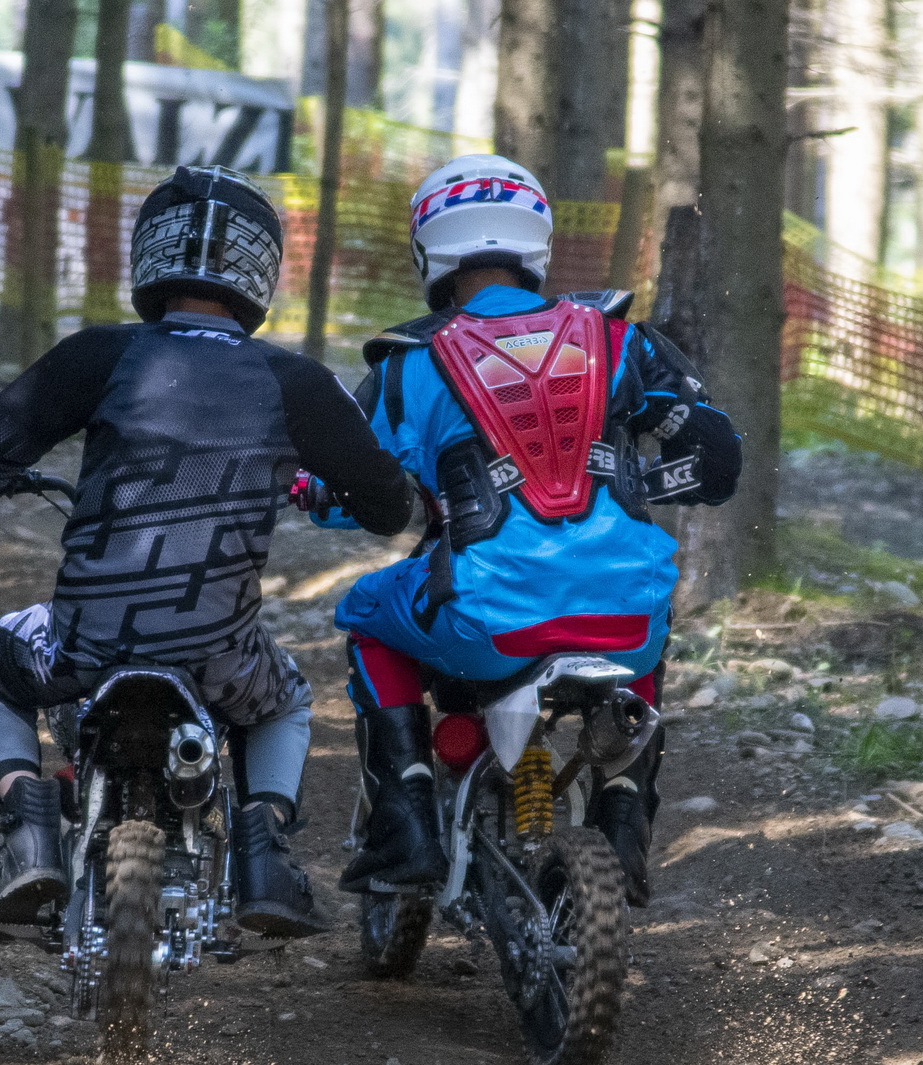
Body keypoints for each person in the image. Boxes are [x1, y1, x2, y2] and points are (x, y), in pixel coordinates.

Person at [0, 165, 413, 936]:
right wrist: (350, 497)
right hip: (219, 657)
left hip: (82, 647)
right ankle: (265, 850)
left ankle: (29, 825)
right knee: (288, 696)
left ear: (149, 255)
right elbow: (391, 505)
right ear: (260, 271)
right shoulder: (292, 380)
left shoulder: (99, 355)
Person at [311, 154, 741, 906]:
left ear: (429, 250)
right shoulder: (619, 338)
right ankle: (626, 811)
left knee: (369, 615)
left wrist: (309, 492)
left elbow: (353, 489)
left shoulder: (408, 363)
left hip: (489, 618)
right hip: (625, 626)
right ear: (534, 242)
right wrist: (642, 477)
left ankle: (407, 819)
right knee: (640, 590)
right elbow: (719, 459)